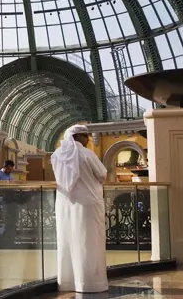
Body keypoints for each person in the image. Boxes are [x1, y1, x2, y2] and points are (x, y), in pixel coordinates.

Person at [51, 124, 108, 293]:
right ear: (77, 137)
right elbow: (102, 174)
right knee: (89, 242)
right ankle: (91, 283)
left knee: (68, 240)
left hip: (65, 204)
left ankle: (68, 282)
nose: (88, 139)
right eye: (86, 136)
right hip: (89, 204)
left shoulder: (56, 155)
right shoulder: (87, 154)